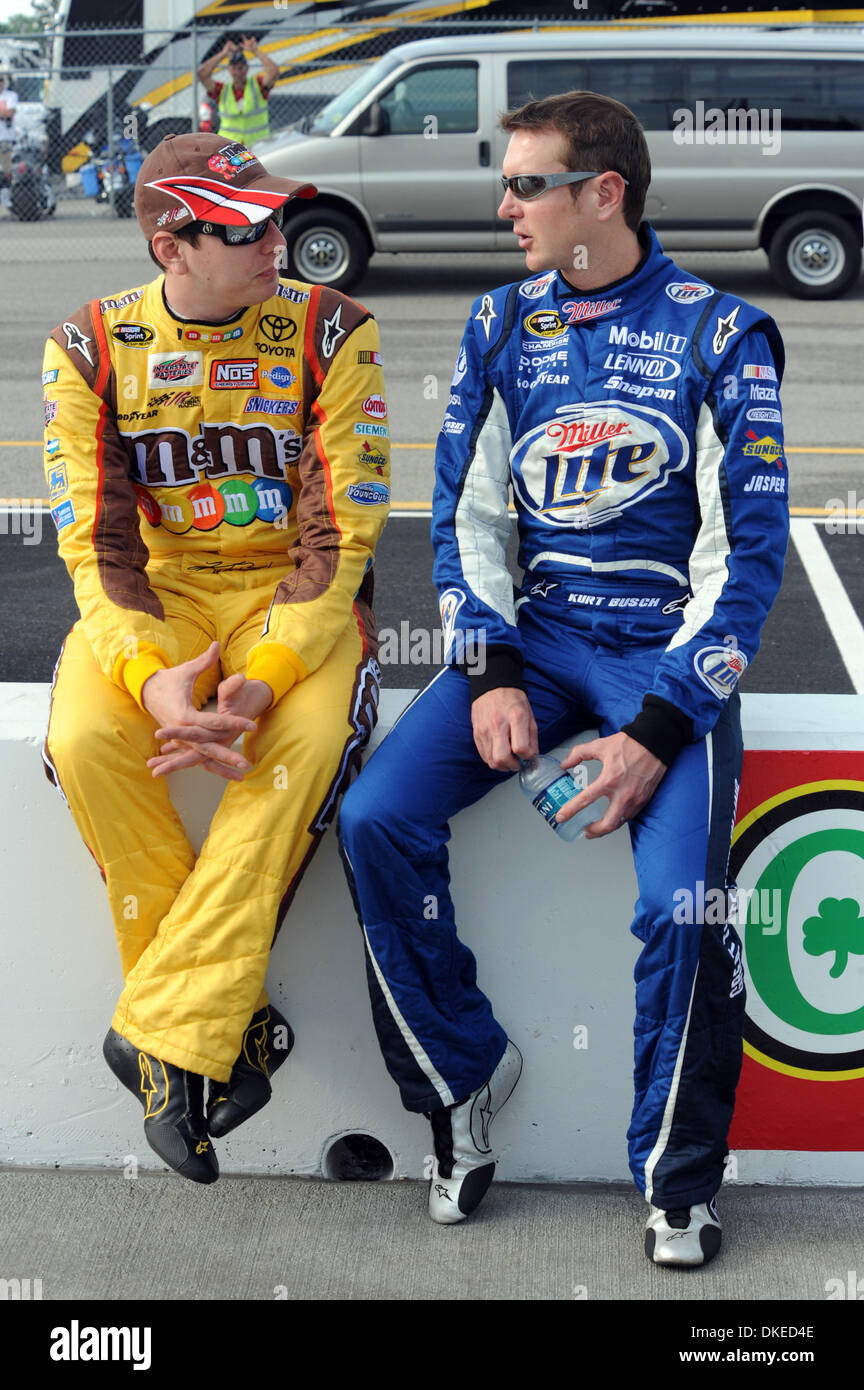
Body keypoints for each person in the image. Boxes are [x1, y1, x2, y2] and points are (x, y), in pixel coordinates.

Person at [338, 90, 789, 1266]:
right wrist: (484, 670)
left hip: (667, 660)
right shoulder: (500, 324)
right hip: (534, 645)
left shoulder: (722, 334)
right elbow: (465, 518)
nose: (505, 205)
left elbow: (747, 565)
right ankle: (461, 1081)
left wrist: (655, 726)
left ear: (605, 194)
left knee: (679, 907)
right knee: (378, 816)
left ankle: (676, 1178)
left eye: (528, 183)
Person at [42, 132, 389, 1185]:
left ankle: (157, 1039)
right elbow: (92, 535)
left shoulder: (336, 329)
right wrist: (153, 676)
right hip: (162, 593)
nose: (278, 240)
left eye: (277, 219)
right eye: (245, 229)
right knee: (87, 741)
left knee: (304, 750)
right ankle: (222, 1039)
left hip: (298, 592)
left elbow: (345, 532)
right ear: (170, 244)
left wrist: (266, 676)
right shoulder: (89, 344)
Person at [197, 36, 279, 145]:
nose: (237, 72)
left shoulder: (258, 85)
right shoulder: (222, 90)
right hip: (230, 147)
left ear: (247, 68)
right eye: (234, 68)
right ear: (229, 70)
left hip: (258, 145)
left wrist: (256, 51)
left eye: (240, 68)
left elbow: (274, 72)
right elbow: (202, 74)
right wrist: (223, 54)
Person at [0, 72, 18, 182]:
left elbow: (10, 113)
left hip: (5, 137)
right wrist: (3, 112)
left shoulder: (11, 95)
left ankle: (7, 188)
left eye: (1, 80)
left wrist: (6, 113)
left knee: (7, 168)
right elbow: (5, 113)